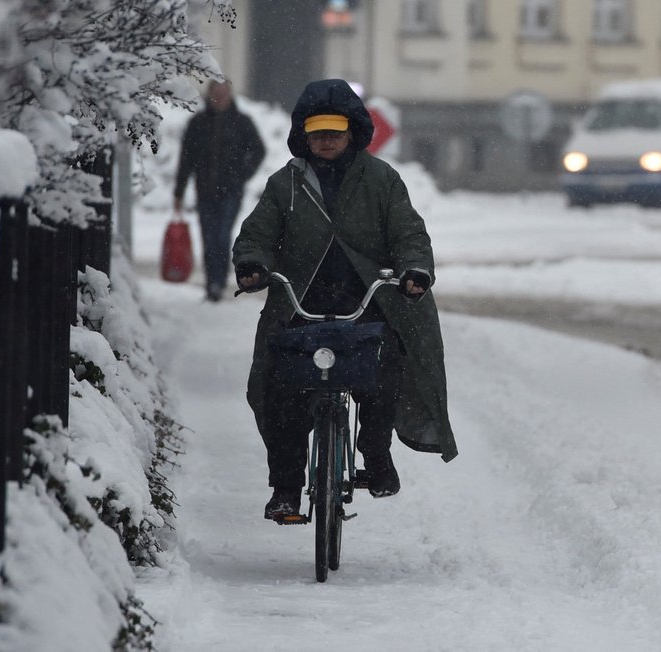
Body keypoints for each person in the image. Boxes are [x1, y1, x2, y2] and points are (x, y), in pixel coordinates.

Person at [232, 79, 457, 521]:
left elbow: (409, 233)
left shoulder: (382, 180)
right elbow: (257, 233)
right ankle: (285, 489)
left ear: (353, 131)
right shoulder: (286, 184)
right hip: (301, 305)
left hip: (367, 303)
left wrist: (414, 270)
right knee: (279, 390)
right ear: (304, 134)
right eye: (318, 132)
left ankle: (375, 457)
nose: (327, 139)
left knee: (385, 369)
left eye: (335, 131)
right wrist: (253, 264)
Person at [174, 80, 265, 302]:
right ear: (209, 96)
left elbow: (258, 150)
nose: (220, 98)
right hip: (205, 191)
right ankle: (211, 283)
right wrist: (179, 191)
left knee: (222, 236)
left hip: (231, 191)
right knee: (208, 237)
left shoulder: (242, 122)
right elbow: (186, 159)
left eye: (224, 94)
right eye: (216, 94)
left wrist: (242, 174)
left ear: (230, 96)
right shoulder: (198, 123)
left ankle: (220, 281)